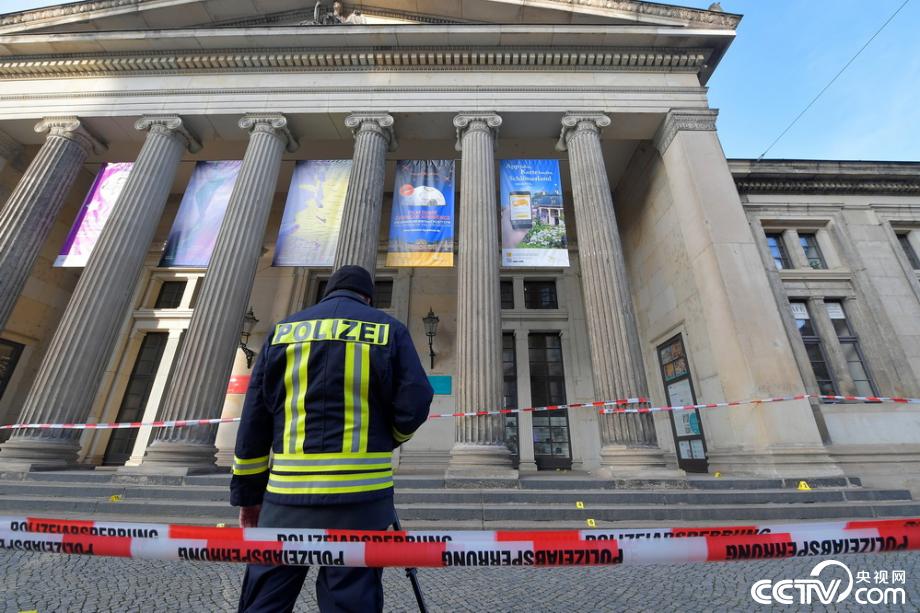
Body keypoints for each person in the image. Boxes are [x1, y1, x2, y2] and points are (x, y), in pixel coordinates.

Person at [232, 265, 434, 613]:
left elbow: (254, 421)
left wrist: (249, 497)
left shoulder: (283, 332)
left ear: (326, 293)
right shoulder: (389, 329)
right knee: (350, 599)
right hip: (361, 496)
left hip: (286, 497)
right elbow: (416, 399)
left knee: (265, 599)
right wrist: (387, 439)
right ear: (367, 297)